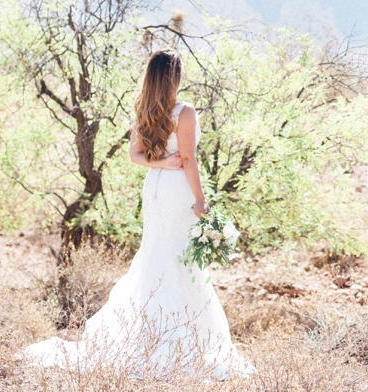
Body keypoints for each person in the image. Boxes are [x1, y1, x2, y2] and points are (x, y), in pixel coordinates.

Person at [23, 49, 254, 379]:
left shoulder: (144, 107)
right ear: (174, 77)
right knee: (179, 257)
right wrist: (201, 200)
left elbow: (135, 155)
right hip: (176, 190)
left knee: (157, 253)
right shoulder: (184, 111)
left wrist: (159, 163)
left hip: (155, 187)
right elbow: (188, 158)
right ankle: (180, 336)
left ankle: (149, 332)